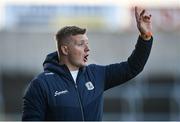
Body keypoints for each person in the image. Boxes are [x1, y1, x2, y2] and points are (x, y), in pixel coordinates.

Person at [22, 6, 153, 121]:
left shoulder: (96, 74)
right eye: (81, 44)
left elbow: (132, 67)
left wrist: (145, 36)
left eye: (87, 43)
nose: (87, 48)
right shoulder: (41, 84)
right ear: (65, 49)